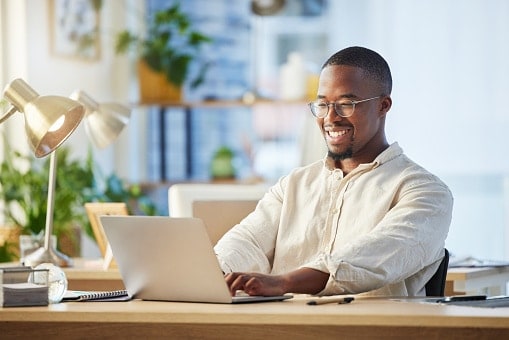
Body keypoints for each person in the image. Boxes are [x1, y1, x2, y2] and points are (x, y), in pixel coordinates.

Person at [214, 46, 453, 297]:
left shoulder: (426, 192)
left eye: (346, 104)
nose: (331, 118)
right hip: (283, 325)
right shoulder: (294, 184)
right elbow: (247, 241)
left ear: (383, 105)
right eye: (323, 104)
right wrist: (217, 273)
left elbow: (373, 257)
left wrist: (283, 282)